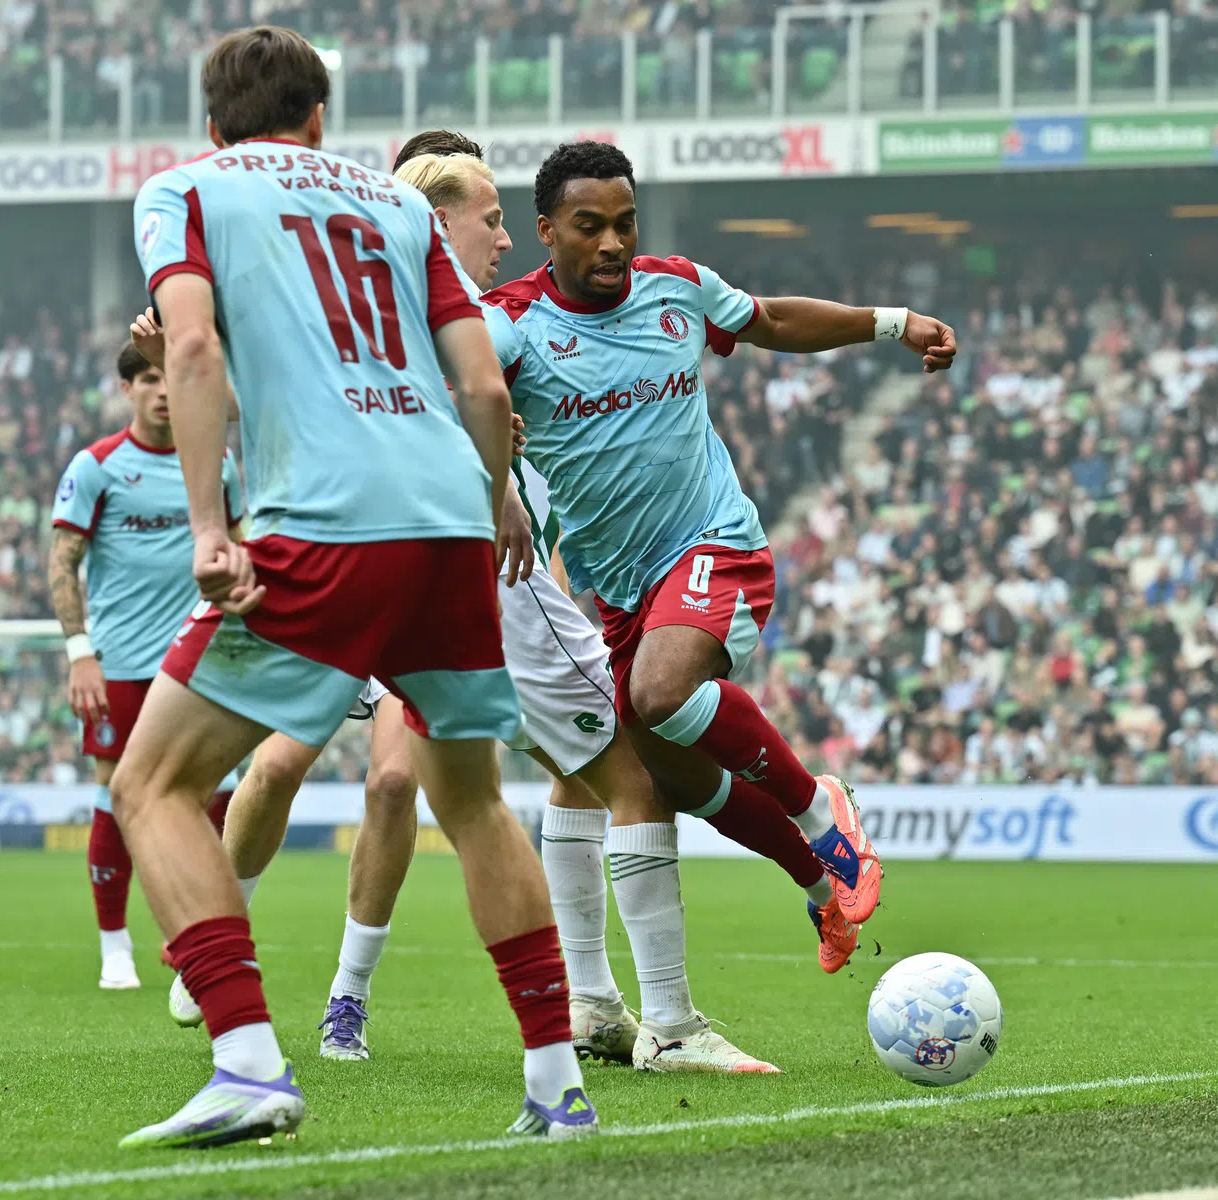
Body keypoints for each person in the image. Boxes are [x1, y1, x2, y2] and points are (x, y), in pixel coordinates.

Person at [150, 137, 777, 1073]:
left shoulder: (387, 300)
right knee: (617, 776)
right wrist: (502, 485)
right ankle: (659, 1026)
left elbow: (314, 389)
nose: (503, 238)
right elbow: (475, 393)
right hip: (457, 565)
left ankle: (360, 997)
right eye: (489, 217)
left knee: (361, 776)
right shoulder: (451, 308)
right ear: (437, 222)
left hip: (344, 553)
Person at [115, 27, 595, 1147]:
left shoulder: (183, 189)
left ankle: (243, 1058)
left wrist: (206, 526)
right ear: (321, 119)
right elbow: (480, 379)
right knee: (470, 800)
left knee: (151, 786)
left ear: (213, 123)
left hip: (325, 521)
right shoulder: (402, 209)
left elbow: (189, 355)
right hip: (444, 517)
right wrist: (491, 504)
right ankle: (555, 1084)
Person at [481, 141, 958, 953]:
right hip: (622, 589)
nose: (612, 245)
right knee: (673, 770)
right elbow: (455, 386)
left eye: (625, 224)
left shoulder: (676, 286)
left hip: (715, 542)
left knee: (661, 695)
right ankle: (819, 889)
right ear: (545, 231)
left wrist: (893, 323)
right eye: (589, 226)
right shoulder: (512, 325)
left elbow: (769, 319)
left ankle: (822, 810)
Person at [47, 341, 244, 991]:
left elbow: (243, 550)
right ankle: (113, 946)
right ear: (127, 389)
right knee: (115, 794)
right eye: (149, 379)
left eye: (170, 377)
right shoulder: (98, 466)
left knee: (212, 794)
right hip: (124, 666)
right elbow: (63, 561)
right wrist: (81, 654)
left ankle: (187, 936)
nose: (163, 391)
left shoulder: (216, 462)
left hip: (200, 662)